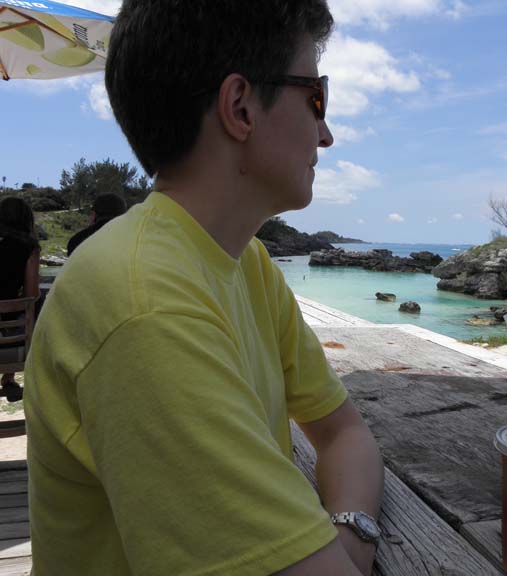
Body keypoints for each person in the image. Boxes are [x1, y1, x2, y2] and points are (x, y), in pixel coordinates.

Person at [24, 1, 384, 575]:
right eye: (316, 98)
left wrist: (350, 535)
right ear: (239, 107)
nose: (327, 134)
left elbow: (344, 433)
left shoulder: (247, 262)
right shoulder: (144, 306)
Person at [0, 197, 40, 402]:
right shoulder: (28, 247)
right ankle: (9, 377)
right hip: (9, 337)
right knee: (36, 306)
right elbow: (31, 295)